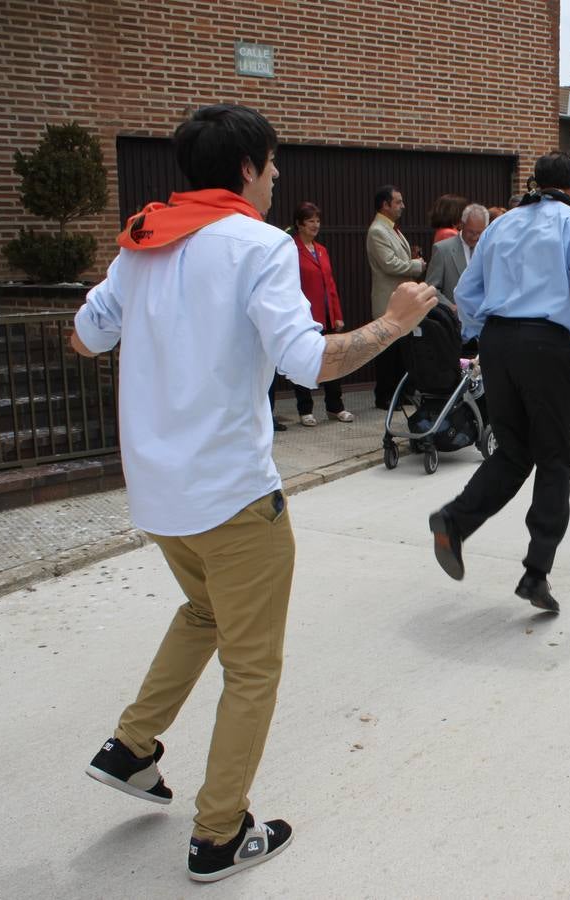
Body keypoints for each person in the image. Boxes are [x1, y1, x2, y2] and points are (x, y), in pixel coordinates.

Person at [72, 104, 437, 883]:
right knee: (253, 667)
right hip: (234, 499)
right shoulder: (259, 246)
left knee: (205, 612)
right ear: (247, 168)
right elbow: (310, 362)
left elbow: (85, 335)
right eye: (272, 165)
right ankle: (218, 834)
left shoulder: (143, 241)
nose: (276, 179)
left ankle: (131, 749)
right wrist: (393, 324)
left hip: (160, 496)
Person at [428, 150, 570, 613]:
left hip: (498, 344)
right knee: (554, 460)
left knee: (515, 452)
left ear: (535, 181)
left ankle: (455, 521)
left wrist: (484, 334)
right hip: (546, 347)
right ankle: (536, 572)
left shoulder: (502, 224)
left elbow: (466, 292)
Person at [289, 201, 353, 426]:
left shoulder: (322, 250)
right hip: (305, 315)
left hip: (326, 314)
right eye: (310, 221)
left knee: (332, 361)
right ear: (299, 224)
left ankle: (335, 407)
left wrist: (337, 313)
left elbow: (330, 284)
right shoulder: (291, 249)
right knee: (304, 361)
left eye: (317, 221)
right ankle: (305, 409)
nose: (315, 225)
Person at [367, 185, 426, 408]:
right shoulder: (377, 231)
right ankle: (384, 396)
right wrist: (416, 265)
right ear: (385, 205)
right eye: (398, 202)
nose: (403, 206)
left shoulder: (392, 229)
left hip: (400, 302)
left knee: (402, 351)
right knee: (387, 353)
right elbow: (389, 264)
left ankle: (400, 393)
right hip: (388, 303)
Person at [424, 202, 488, 308]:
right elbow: (431, 288)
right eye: (471, 232)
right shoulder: (443, 250)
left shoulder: (488, 250)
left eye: (479, 233)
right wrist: (451, 308)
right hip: (454, 319)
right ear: (462, 225)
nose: (474, 237)